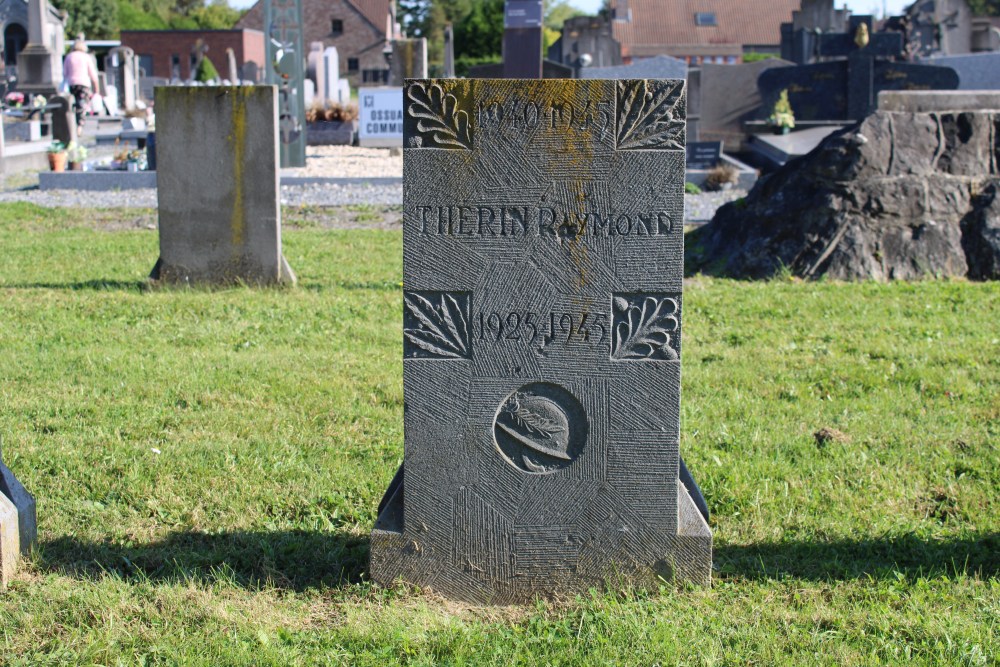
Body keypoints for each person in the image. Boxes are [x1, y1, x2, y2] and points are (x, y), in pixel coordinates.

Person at [62, 39, 99, 134]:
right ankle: (80, 125)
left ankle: (74, 124)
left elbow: (65, 73)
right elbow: (93, 74)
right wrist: (96, 89)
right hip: (84, 83)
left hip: (72, 83)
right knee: (82, 105)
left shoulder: (69, 57)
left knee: (74, 104)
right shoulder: (86, 57)